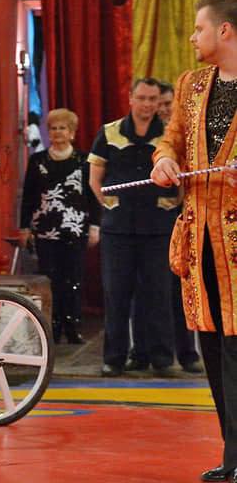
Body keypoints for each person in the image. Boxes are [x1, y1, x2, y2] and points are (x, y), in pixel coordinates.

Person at [151, 0, 237, 483]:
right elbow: (173, 138)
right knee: (211, 344)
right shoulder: (192, 84)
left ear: (224, 30)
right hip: (199, 237)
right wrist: (163, 158)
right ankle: (233, 454)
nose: (192, 37)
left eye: (199, 28)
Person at [88, 77, 178, 378]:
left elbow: (184, 179)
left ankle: (162, 359)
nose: (148, 104)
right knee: (117, 294)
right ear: (130, 98)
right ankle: (113, 359)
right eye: (142, 98)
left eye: (153, 99)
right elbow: (94, 179)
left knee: (159, 294)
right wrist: (110, 206)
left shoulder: (169, 135)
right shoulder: (109, 132)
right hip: (118, 230)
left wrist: (172, 204)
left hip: (158, 228)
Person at [131, 80, 203, 374]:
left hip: (182, 222)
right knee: (146, 292)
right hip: (148, 226)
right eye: (156, 104)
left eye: (166, 104)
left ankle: (186, 353)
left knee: (178, 292)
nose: (160, 109)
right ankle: (143, 352)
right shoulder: (150, 137)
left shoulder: (184, 134)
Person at [19, 108, 99, 344]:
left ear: (72, 132)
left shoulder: (84, 161)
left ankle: (73, 327)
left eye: (62, 128)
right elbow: (29, 197)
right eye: (53, 128)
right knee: (49, 279)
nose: (57, 132)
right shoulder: (37, 161)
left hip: (75, 228)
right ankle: (50, 328)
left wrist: (95, 225)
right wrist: (24, 227)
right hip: (45, 229)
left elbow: (93, 196)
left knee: (72, 278)